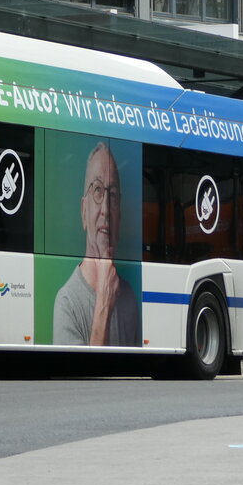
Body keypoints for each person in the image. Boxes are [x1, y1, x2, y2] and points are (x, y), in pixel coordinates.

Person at [52, 141, 140, 347]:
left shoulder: (130, 299)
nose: (106, 210)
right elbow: (84, 377)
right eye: (98, 190)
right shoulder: (67, 303)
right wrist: (104, 302)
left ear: (120, 215)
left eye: (113, 196)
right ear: (84, 211)